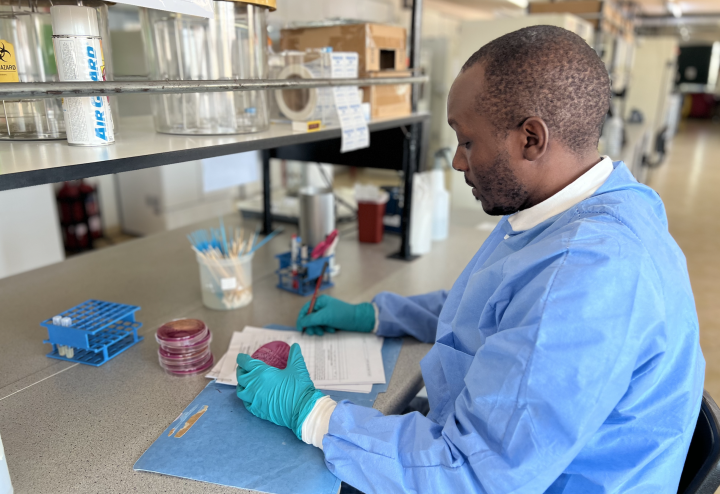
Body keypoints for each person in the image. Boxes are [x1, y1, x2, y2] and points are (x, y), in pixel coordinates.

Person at [235, 25, 705, 493]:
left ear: (530, 140)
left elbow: (471, 475)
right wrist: (375, 315)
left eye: (466, 141)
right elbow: (495, 303)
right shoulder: (572, 205)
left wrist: (313, 415)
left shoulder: (589, 275)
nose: (458, 162)